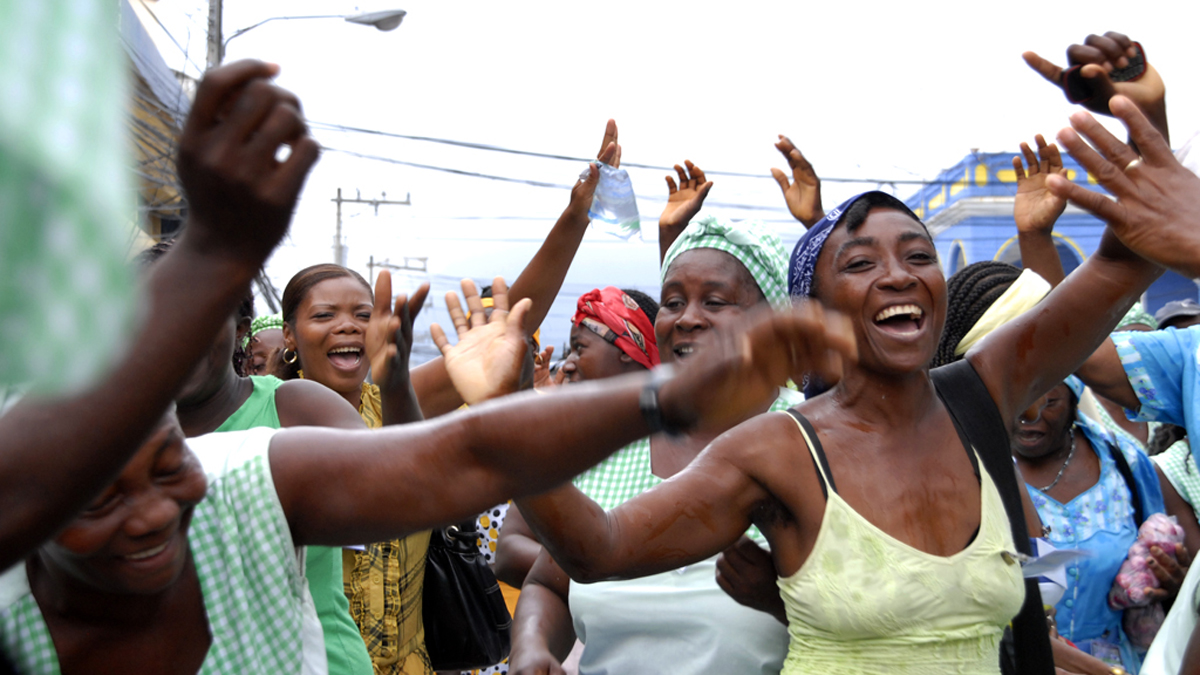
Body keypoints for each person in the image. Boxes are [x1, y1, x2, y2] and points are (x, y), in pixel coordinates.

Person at [514, 90, 1182, 672]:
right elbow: (598, 549)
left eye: (918, 255)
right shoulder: (777, 448)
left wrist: (1145, 117)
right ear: (812, 312)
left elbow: (1126, 260)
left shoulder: (979, 394)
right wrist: (506, 409)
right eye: (861, 262)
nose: (898, 274)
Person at [0, 273, 857, 673]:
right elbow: (550, 548)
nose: (153, 513)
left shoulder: (254, 466)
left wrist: (668, 393)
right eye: (101, 497)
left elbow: (442, 466)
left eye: (168, 467)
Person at [0, 59, 320, 573]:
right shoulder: (69, 417)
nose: (150, 516)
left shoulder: (292, 417)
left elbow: (410, 478)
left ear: (240, 331)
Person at [509, 208, 801, 674]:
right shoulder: (608, 438)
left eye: (715, 301)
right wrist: (532, 647)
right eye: (673, 302)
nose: (687, 319)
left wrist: (780, 600)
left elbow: (872, 620)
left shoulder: (812, 436)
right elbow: (548, 580)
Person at [935, 260, 1178, 672]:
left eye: (1053, 377)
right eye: (1028, 374)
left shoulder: (1119, 459)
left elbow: (1034, 619)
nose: (1036, 408)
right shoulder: (943, 474)